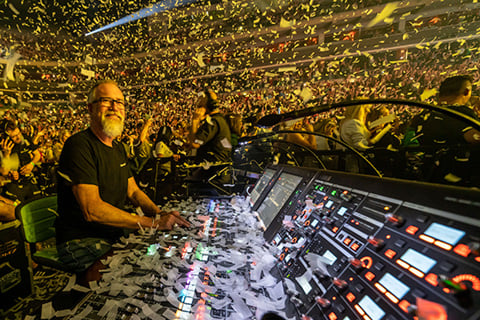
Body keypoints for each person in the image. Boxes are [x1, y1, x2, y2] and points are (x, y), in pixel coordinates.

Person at [55, 79, 190, 275]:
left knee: (158, 265)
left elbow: (133, 191)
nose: (114, 107)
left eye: (119, 102)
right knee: (132, 275)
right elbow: (92, 210)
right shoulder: (79, 146)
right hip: (80, 240)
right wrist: (152, 223)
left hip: (113, 233)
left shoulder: (117, 148)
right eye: (106, 101)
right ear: (90, 108)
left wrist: (159, 214)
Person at [187, 89, 232, 184]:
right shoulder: (219, 120)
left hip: (211, 172)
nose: (198, 106)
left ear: (208, 105)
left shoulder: (212, 122)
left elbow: (195, 143)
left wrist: (195, 121)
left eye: (200, 104)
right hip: (217, 170)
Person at [0, 120, 42, 202]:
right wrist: (6, 155)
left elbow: (37, 155)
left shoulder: (25, 139)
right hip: (13, 185)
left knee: (37, 204)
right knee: (16, 210)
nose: (18, 137)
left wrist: (31, 164)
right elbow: (4, 172)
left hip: (29, 182)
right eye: (14, 136)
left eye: (19, 133)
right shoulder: (3, 147)